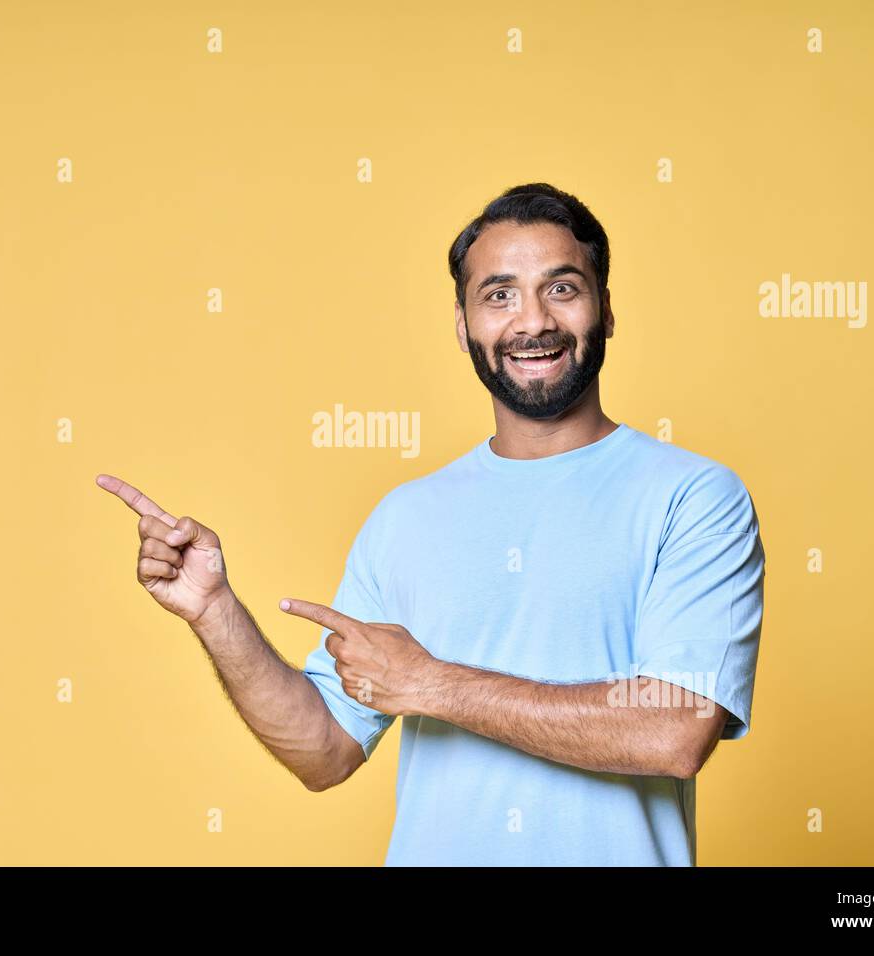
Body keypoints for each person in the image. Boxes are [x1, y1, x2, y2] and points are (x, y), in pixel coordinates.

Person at [97, 182, 765, 866]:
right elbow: (325, 751)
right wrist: (214, 612)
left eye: (561, 288)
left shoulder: (694, 497)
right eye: (498, 294)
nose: (531, 320)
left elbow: (675, 731)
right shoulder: (406, 518)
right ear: (463, 323)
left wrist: (430, 683)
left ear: (606, 310)